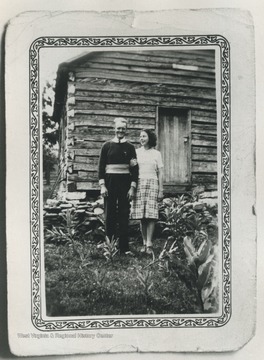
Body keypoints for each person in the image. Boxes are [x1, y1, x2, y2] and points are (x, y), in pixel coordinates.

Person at [98, 118, 139, 255]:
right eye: (118, 128)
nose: (120, 131)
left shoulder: (130, 147)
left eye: (123, 128)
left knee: (124, 214)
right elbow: (101, 167)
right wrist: (102, 186)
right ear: (114, 129)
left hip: (125, 183)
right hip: (109, 183)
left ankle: (124, 248)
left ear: (126, 130)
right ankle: (109, 247)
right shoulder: (107, 146)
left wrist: (132, 187)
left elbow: (134, 169)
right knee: (109, 215)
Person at [131, 129, 164, 254]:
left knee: (151, 215)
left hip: (152, 183)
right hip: (139, 183)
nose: (141, 138)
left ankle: (149, 244)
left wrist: (161, 190)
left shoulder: (156, 154)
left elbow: (160, 172)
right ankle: (144, 243)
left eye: (144, 136)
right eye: (140, 136)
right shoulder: (136, 152)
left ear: (150, 138)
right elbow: (132, 168)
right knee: (142, 216)